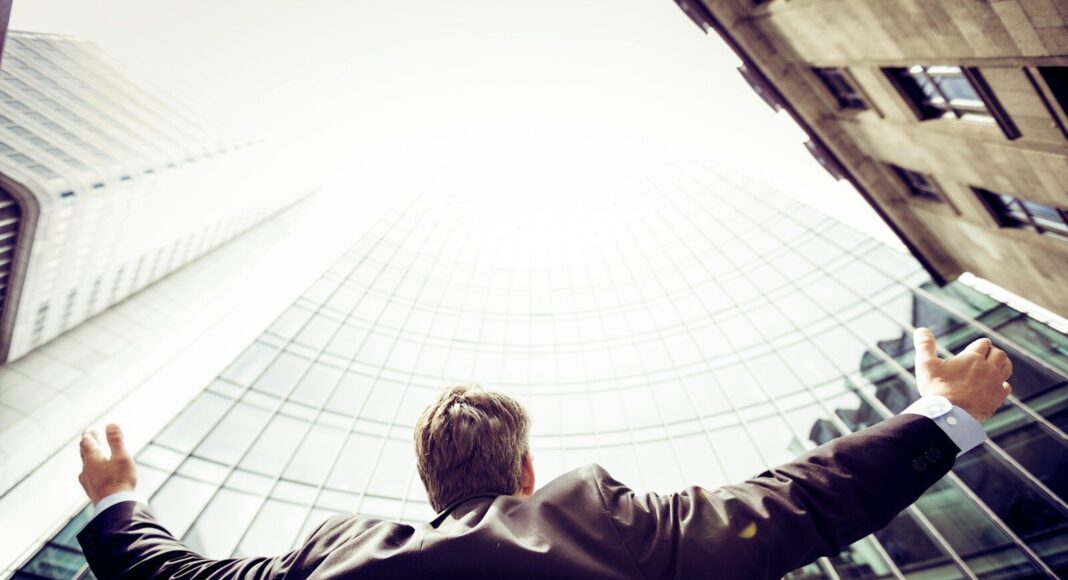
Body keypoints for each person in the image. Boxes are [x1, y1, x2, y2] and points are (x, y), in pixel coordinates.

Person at [76, 328, 1012, 579]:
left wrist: (119, 499)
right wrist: (942, 414)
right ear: (526, 474)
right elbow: (802, 499)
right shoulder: (614, 529)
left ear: (429, 488)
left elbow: (166, 576)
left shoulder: (334, 562)